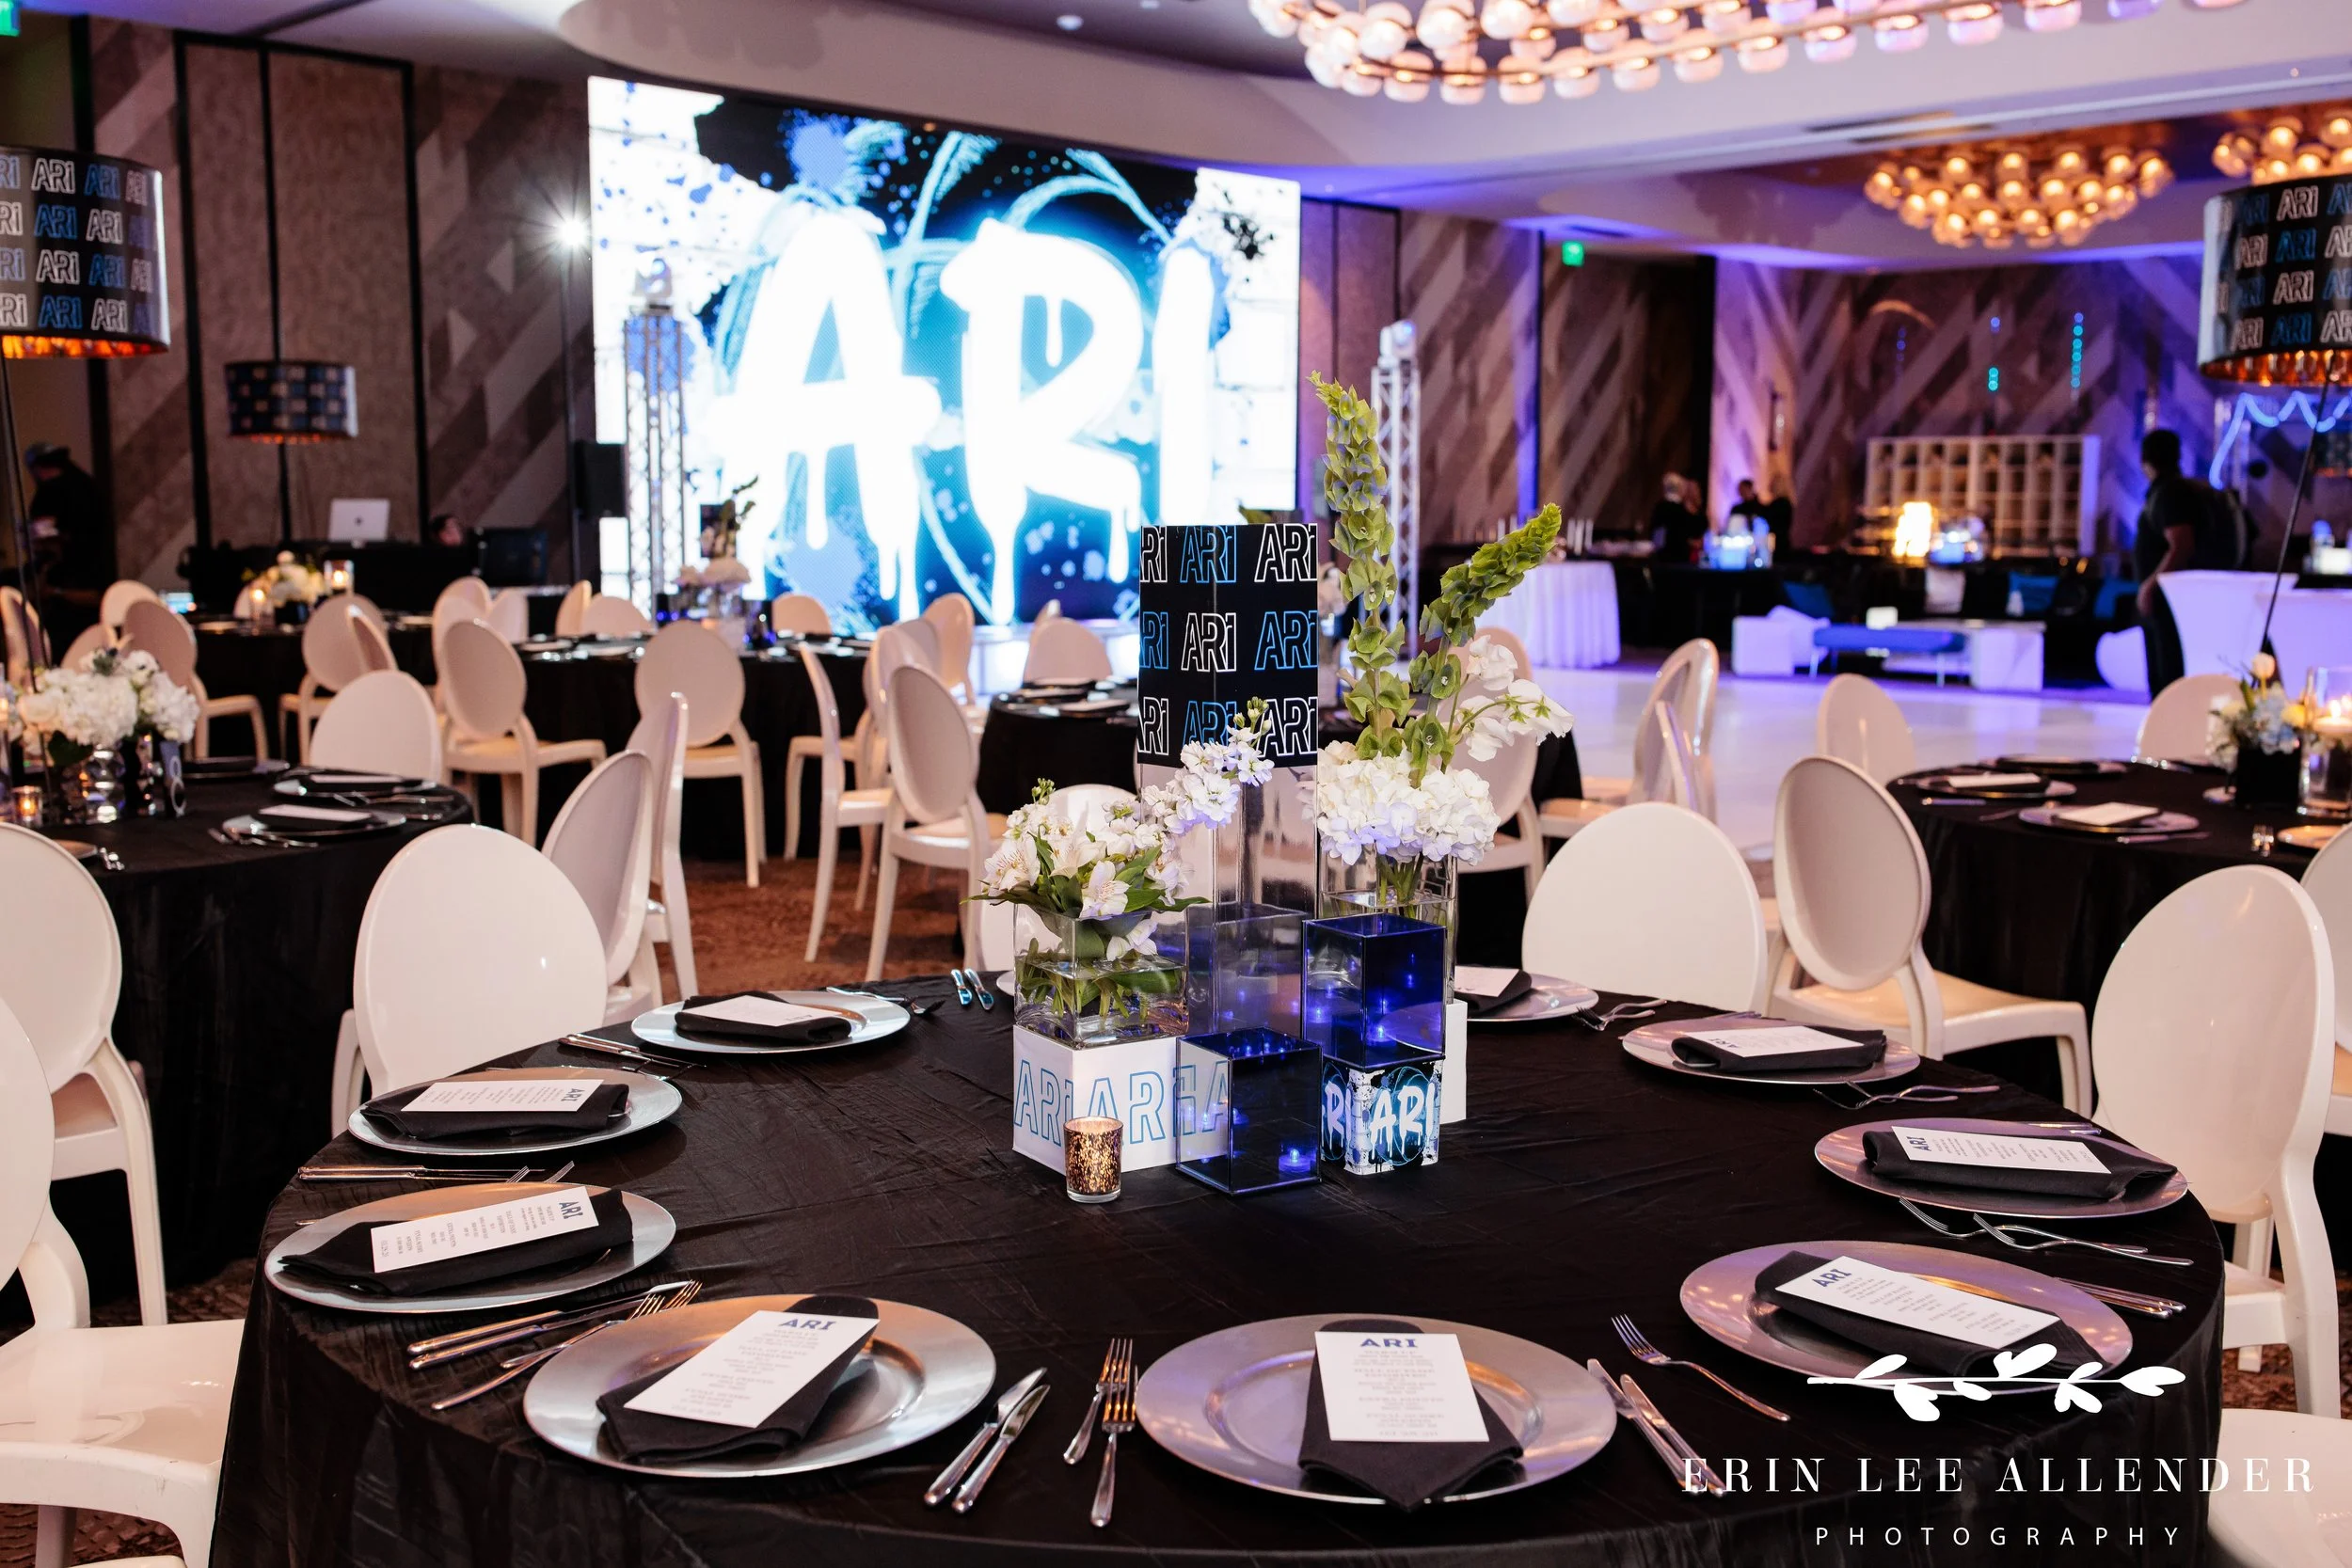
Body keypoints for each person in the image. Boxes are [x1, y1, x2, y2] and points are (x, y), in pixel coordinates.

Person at [2134, 428, 2236, 692]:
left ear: (2145, 460)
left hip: (2170, 599)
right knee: (2166, 667)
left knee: (2167, 670)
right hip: (2176, 597)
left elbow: (2181, 544)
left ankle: (2167, 727)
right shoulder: (2178, 489)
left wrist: (2149, 586)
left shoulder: (2169, 493)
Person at [24, 444, 109, 647]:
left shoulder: (50, 492)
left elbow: (42, 539)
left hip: (66, 590)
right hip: (96, 581)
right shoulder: (88, 485)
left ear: (38, 468)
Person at [1648, 474, 1704, 564]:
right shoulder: (1681, 510)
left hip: (1661, 556)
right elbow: (1684, 534)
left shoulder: (1659, 507)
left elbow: (1655, 532)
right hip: (1679, 557)